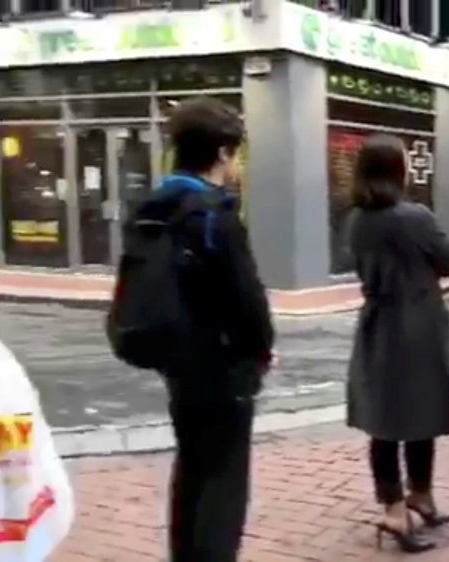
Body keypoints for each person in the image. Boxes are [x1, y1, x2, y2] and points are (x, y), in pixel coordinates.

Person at [151, 98, 275, 561]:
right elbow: (247, 297)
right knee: (224, 485)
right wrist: (261, 351)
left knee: (191, 470)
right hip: (223, 367)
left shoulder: (157, 205)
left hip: (177, 365)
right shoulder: (214, 213)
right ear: (223, 152)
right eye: (236, 152)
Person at [345, 134, 449, 553]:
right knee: (422, 410)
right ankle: (415, 499)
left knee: (384, 420)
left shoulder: (357, 219)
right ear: (398, 171)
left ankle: (398, 503)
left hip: (377, 323)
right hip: (418, 324)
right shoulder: (414, 216)